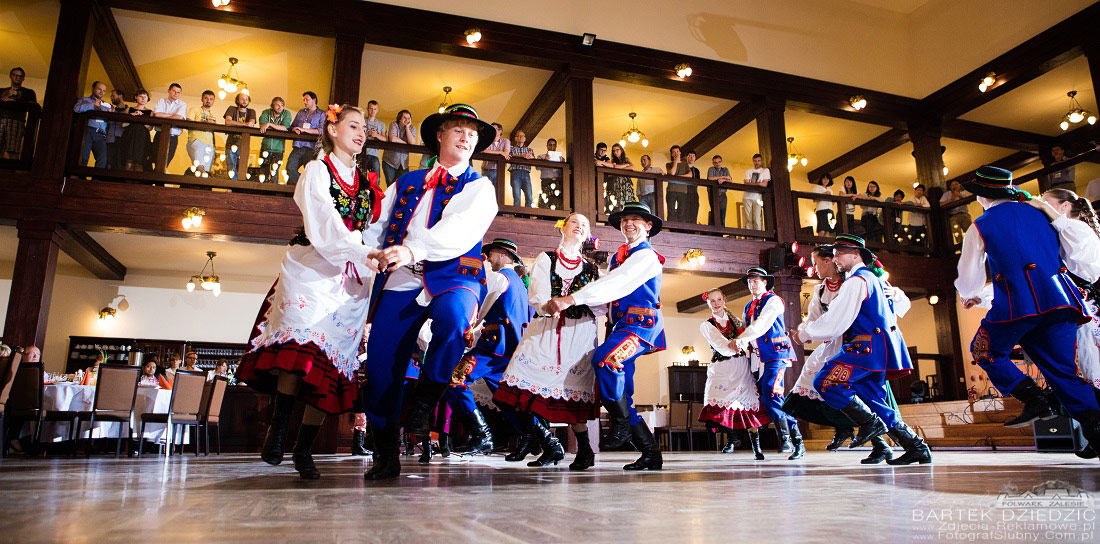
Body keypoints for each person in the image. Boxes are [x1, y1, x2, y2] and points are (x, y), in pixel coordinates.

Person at [236, 103, 383, 479]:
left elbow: (376, 228)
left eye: (364, 127)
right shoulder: (317, 171)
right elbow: (323, 222)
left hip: (350, 281)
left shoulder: (368, 183)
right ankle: (278, 430)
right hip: (313, 267)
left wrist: (375, 253)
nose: (361, 132)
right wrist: (362, 249)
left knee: (330, 367)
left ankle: (303, 450)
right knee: (299, 352)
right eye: (353, 125)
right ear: (332, 130)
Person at [360, 103, 499, 481]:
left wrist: (412, 249)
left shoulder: (479, 186)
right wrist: (364, 251)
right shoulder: (406, 181)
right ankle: (385, 452)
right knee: (381, 367)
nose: (467, 137)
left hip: (456, 273)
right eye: (458, 130)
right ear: (440, 135)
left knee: (453, 321)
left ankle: (427, 394)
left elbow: (459, 231)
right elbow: (376, 226)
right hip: (403, 276)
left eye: (472, 133)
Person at [955, 166, 1100, 457]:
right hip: (1059, 303)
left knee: (984, 350)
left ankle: (1032, 397)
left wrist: (969, 294)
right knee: (1064, 373)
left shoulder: (980, 225)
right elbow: (1074, 260)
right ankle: (1095, 427)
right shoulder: (1044, 216)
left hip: (1016, 307)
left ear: (982, 197)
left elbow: (969, 276)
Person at [543, 201, 666, 471]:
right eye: (624, 220)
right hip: (621, 327)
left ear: (648, 226)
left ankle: (620, 426)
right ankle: (650, 453)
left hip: (640, 325)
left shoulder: (646, 256)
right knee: (622, 393)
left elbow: (615, 284)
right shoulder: (618, 257)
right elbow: (607, 299)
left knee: (605, 360)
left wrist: (571, 298)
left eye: (636, 219)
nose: (628, 223)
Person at [798, 234, 930, 465]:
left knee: (825, 382)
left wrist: (804, 333)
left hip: (865, 348)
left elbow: (836, 320)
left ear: (856, 254)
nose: (835, 258)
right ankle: (916, 446)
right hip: (875, 348)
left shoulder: (857, 281)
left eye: (840, 253)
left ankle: (870, 424)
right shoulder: (871, 278)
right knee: (875, 402)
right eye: (835, 254)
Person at [495, 213, 603, 470]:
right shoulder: (547, 258)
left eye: (584, 225)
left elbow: (599, 303)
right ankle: (549, 444)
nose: (579, 227)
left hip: (579, 333)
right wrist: (548, 305)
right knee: (522, 386)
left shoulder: (593, 269)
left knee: (570, 393)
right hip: (546, 329)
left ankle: (584, 450)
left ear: (587, 235)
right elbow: (538, 293)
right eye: (574, 222)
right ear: (563, 228)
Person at [445, 239, 531, 457]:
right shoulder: (520, 282)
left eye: (491, 255)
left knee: (455, 378)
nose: (489, 259)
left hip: (493, 345)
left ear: (502, 255)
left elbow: (480, 311)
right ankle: (548, 442)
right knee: (505, 397)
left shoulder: (499, 277)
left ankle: (482, 435)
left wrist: (466, 329)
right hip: (510, 347)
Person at [1036, 188, 1100, 458]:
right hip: (1080, 310)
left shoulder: (1076, 227)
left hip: (1092, 308)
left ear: (1063, 206)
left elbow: (1086, 267)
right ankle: (1093, 434)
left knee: (1091, 369)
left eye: (1046, 202)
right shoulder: (1062, 231)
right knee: (1085, 371)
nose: (1040, 205)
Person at [733, 267, 804, 458]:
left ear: (765, 282)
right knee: (762, 399)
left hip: (775, 354)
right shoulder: (748, 306)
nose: (752, 284)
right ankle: (791, 441)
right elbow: (745, 328)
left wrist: (741, 339)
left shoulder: (774, 301)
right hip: (756, 357)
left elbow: (761, 324)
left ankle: (791, 439)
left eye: (755, 281)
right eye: (749, 282)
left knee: (771, 396)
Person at [698, 288, 770, 459]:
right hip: (722, 367)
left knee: (748, 404)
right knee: (720, 404)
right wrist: (735, 346)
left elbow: (750, 336)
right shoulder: (707, 325)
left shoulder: (737, 321)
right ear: (708, 303)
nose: (716, 304)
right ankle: (732, 438)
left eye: (718, 300)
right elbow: (719, 342)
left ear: (724, 300)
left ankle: (756, 448)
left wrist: (742, 344)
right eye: (712, 301)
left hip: (740, 366)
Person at [285, 91, 323, 185]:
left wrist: (304, 130)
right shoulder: (301, 112)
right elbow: (292, 126)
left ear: (314, 100)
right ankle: (301, 186)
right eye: (304, 100)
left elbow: (321, 130)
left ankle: (299, 189)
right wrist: (295, 129)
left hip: (312, 148)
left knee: (310, 173)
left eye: (307, 99)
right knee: (290, 168)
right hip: (298, 145)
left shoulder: (321, 114)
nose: (305, 102)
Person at [0, 67, 38, 159]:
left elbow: (34, 106)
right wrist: (7, 95)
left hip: (17, 121)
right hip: (0, 120)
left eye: (20, 76)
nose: (18, 78)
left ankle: (12, 172)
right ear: (10, 76)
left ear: (23, 78)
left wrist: (17, 99)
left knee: (13, 151)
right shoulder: (1, 91)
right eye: (15, 75)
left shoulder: (28, 92)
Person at [73, 81, 111, 167]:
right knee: (83, 157)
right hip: (88, 130)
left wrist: (111, 112)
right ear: (93, 89)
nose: (102, 92)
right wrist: (92, 105)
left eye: (104, 91)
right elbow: (76, 109)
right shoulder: (84, 100)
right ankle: (80, 178)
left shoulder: (107, 105)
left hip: (101, 133)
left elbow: (111, 121)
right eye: (99, 89)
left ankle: (96, 179)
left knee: (102, 158)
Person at [151, 83, 187, 170]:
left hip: (173, 137)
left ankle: (158, 182)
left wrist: (165, 115)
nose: (176, 94)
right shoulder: (161, 101)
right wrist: (172, 116)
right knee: (156, 160)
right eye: (174, 91)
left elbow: (179, 117)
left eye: (178, 92)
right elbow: (157, 115)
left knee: (166, 162)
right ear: (169, 91)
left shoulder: (182, 104)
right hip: (160, 134)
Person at [258, 97, 293, 181]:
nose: (280, 107)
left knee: (274, 171)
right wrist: (270, 126)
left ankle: (273, 192)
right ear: (272, 105)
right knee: (263, 171)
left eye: (282, 105)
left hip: (278, 149)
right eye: (277, 105)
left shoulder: (286, 113)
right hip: (265, 147)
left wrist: (269, 124)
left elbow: (285, 127)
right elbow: (262, 126)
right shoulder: (266, 112)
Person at [223, 92, 257, 178]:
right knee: (231, 167)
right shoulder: (232, 109)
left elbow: (251, 124)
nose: (245, 101)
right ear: (238, 100)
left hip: (244, 145)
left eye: (247, 99)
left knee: (242, 168)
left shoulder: (251, 111)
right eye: (242, 99)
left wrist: (237, 124)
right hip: (231, 143)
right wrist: (245, 124)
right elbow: (228, 122)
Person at [118, 89, 153, 171]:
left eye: (145, 97)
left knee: (140, 162)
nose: (143, 98)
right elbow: (123, 124)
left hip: (142, 138)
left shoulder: (150, 112)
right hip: (130, 136)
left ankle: (137, 183)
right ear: (136, 97)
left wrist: (141, 118)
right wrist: (133, 116)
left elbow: (150, 128)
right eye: (141, 96)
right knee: (128, 161)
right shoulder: (129, 109)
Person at [185, 90, 218, 175]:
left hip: (209, 144)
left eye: (211, 99)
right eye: (206, 98)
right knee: (199, 167)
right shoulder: (194, 109)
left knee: (206, 170)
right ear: (202, 99)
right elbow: (189, 122)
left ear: (213, 101)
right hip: (196, 140)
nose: (208, 101)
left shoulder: (212, 116)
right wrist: (206, 123)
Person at [381, 109, 417, 187]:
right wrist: (405, 144)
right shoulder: (394, 124)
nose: (407, 120)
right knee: (391, 187)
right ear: (400, 119)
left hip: (404, 163)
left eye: (409, 118)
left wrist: (407, 128)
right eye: (405, 118)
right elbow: (393, 139)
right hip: (390, 161)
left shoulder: (412, 128)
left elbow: (412, 142)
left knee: (402, 187)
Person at [604, 143, 636, 213]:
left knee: (628, 201)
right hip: (617, 183)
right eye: (614, 151)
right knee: (618, 202)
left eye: (617, 150)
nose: (615, 152)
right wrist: (626, 165)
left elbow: (632, 167)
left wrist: (621, 167)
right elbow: (615, 167)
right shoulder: (613, 161)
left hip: (626, 183)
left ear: (621, 150)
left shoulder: (626, 159)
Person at [742, 153, 770, 230]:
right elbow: (745, 183)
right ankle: (749, 238)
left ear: (761, 161)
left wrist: (752, 184)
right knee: (748, 219)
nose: (757, 162)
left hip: (758, 197)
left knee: (757, 218)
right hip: (747, 196)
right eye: (755, 161)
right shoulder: (748, 171)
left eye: (758, 161)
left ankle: (758, 238)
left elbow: (764, 184)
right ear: (753, 161)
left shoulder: (765, 170)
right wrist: (759, 184)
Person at [939, 179, 972, 245]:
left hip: (964, 215)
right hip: (953, 216)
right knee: (957, 235)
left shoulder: (963, 193)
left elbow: (968, 202)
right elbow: (941, 204)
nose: (955, 186)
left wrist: (959, 195)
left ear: (959, 185)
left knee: (969, 232)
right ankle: (961, 250)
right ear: (950, 187)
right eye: (952, 185)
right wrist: (951, 199)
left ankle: (971, 247)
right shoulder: (947, 194)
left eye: (956, 184)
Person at [537, 138, 565, 210]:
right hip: (546, 180)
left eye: (554, 145)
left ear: (556, 147)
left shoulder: (561, 158)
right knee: (546, 198)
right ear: (547, 146)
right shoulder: (541, 156)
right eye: (550, 145)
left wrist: (562, 161)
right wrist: (545, 160)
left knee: (557, 198)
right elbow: (538, 167)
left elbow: (564, 170)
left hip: (557, 180)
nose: (552, 147)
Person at [509, 130, 535, 207]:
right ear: (516, 138)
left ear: (525, 138)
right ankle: (517, 215)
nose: (521, 137)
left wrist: (531, 157)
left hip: (526, 172)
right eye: (519, 136)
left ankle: (527, 216)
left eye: (523, 136)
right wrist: (522, 156)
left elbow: (534, 159)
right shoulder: (511, 149)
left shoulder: (529, 150)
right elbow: (511, 156)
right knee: (517, 196)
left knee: (529, 196)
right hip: (515, 172)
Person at [361, 99, 388, 175]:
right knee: (361, 177)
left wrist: (376, 135)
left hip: (374, 154)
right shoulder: (361, 121)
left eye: (375, 109)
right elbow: (356, 135)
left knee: (376, 179)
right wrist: (367, 134)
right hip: (362, 153)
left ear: (377, 110)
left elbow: (385, 139)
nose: (373, 111)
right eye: (371, 108)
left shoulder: (381, 124)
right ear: (367, 109)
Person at [665, 145, 691, 222]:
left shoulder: (685, 164)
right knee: (671, 210)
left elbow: (690, 175)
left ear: (680, 152)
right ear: (672, 154)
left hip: (683, 190)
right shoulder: (669, 164)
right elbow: (672, 172)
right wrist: (676, 161)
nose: (676, 153)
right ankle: (671, 228)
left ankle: (681, 230)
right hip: (671, 190)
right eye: (673, 152)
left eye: (677, 151)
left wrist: (678, 176)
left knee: (682, 211)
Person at [707, 155, 732, 226]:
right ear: (713, 163)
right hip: (714, 194)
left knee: (722, 214)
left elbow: (730, 180)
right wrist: (722, 177)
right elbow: (710, 178)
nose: (717, 164)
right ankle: (714, 234)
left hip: (723, 194)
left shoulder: (725, 169)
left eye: (719, 162)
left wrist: (722, 179)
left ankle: (721, 234)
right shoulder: (711, 169)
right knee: (715, 214)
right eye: (715, 162)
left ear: (721, 162)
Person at [105, 89, 127, 169]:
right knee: (108, 162)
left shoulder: (128, 111)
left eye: (113, 96)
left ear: (120, 96)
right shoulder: (111, 110)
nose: (111, 98)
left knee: (120, 163)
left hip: (123, 139)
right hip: (110, 138)